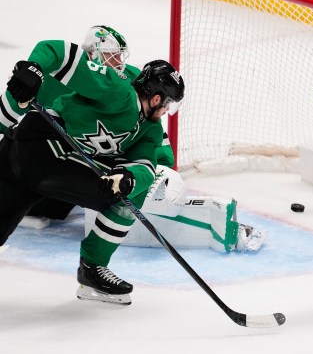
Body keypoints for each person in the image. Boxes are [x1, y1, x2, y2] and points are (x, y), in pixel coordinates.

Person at [1, 25, 266, 252]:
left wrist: (138, 169)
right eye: (110, 57)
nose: (117, 64)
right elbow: (14, 110)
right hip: (44, 152)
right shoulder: (60, 80)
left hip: (84, 156)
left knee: (115, 188)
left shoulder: (130, 84)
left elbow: (155, 144)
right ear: (91, 55)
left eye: (119, 57)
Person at [0, 30, 184, 305]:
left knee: (129, 191)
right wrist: (33, 69)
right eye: (168, 104)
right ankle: (92, 267)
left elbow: (146, 166)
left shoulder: (149, 129)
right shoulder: (116, 89)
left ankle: (93, 270)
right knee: (121, 197)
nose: (167, 111)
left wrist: (127, 177)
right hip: (41, 146)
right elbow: (56, 50)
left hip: (28, 157)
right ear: (157, 98)